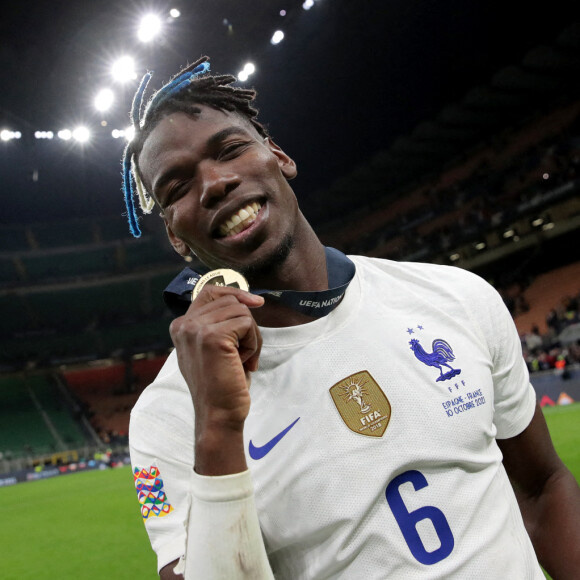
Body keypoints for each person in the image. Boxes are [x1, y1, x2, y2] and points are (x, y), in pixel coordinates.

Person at [125, 56, 580, 579]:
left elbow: (542, 487)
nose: (213, 184)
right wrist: (219, 425)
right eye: (176, 187)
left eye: (229, 149)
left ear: (278, 156)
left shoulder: (456, 296)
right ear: (176, 236)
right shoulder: (169, 415)